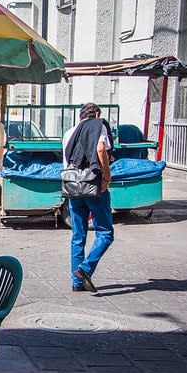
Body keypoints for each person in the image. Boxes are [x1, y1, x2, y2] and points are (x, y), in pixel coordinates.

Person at [62, 102, 114, 293]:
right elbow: (101, 149)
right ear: (96, 114)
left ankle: (77, 284)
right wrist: (106, 175)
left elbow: (67, 160)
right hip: (94, 185)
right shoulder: (98, 125)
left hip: (73, 186)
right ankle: (84, 269)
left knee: (78, 235)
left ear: (80, 116)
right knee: (106, 233)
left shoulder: (70, 132)